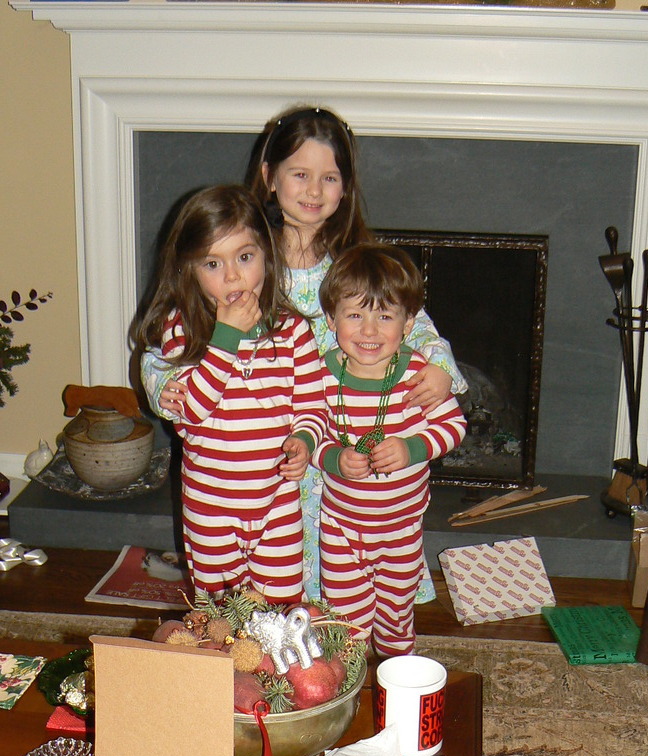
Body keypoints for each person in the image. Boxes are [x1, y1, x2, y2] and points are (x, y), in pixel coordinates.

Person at [141, 104, 467, 601]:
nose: (314, 190)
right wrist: (162, 384)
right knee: (257, 593)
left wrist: (439, 365)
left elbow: (412, 321)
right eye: (300, 174)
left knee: (338, 595)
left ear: (346, 187)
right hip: (261, 469)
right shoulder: (243, 255)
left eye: (329, 177)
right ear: (269, 177)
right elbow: (165, 348)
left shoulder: (356, 263)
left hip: (340, 460)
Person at [135, 184, 327, 601]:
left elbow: (313, 406)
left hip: (276, 505)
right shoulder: (181, 329)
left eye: (244, 257)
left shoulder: (293, 331)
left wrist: (305, 439)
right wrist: (225, 338)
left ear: (266, 256)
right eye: (212, 263)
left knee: (281, 611)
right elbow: (192, 411)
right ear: (189, 270)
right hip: (211, 509)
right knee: (219, 615)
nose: (233, 276)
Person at [313, 243, 467, 656]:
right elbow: (309, 434)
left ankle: (396, 678)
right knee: (345, 626)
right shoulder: (321, 376)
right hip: (342, 529)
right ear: (331, 319)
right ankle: (348, 683)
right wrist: (333, 457)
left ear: (408, 322)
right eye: (355, 315)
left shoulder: (418, 375)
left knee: (396, 618)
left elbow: (454, 426)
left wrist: (413, 448)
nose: (369, 331)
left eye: (384, 316)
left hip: (402, 531)